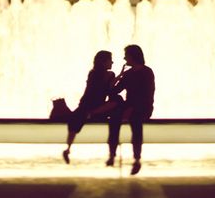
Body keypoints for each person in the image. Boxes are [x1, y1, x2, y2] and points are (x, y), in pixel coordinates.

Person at [106, 44, 155, 176]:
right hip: (130, 106)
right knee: (114, 120)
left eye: (126, 55)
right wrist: (119, 75)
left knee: (135, 121)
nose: (124, 58)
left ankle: (137, 159)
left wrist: (131, 108)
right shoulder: (128, 74)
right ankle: (112, 154)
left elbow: (147, 95)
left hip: (143, 107)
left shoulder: (147, 72)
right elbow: (113, 92)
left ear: (133, 56)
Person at [63, 50, 116, 164]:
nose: (112, 62)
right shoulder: (109, 75)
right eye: (110, 60)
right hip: (97, 107)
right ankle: (91, 114)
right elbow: (109, 90)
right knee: (116, 102)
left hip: (85, 105)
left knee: (75, 123)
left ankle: (68, 149)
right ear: (103, 62)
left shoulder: (93, 73)